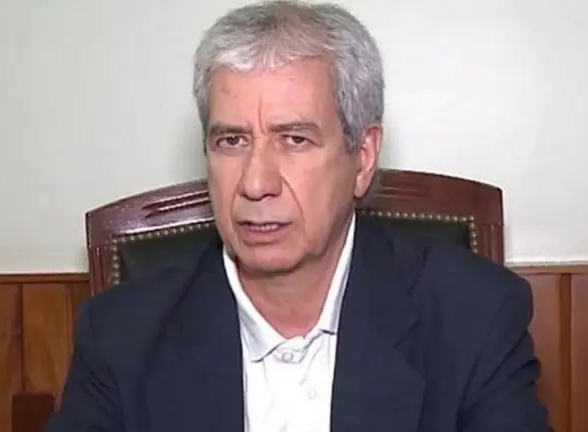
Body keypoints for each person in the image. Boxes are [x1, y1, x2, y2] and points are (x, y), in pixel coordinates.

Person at [46, 1, 551, 431]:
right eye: (231, 141)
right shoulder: (121, 336)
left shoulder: (473, 316)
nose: (255, 183)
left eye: (294, 139)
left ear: (363, 158)